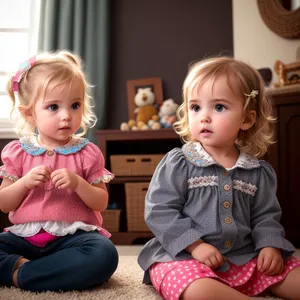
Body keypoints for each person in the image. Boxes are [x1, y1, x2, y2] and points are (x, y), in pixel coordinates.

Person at [138, 56, 300, 300]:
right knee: (195, 289)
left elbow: (266, 216)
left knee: (289, 273)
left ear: (246, 119)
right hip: (184, 256)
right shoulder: (180, 162)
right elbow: (159, 211)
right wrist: (195, 246)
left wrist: (269, 245)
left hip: (244, 256)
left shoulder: (257, 171)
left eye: (219, 107)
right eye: (195, 107)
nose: (204, 116)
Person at [0, 50, 118, 292]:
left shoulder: (87, 153)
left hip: (73, 239)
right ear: (29, 113)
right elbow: (4, 203)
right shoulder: (17, 152)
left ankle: (21, 274)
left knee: (105, 254)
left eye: (75, 105)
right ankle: (46, 270)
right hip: (24, 239)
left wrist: (78, 183)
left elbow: (100, 202)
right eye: (53, 107)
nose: (66, 116)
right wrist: (24, 183)